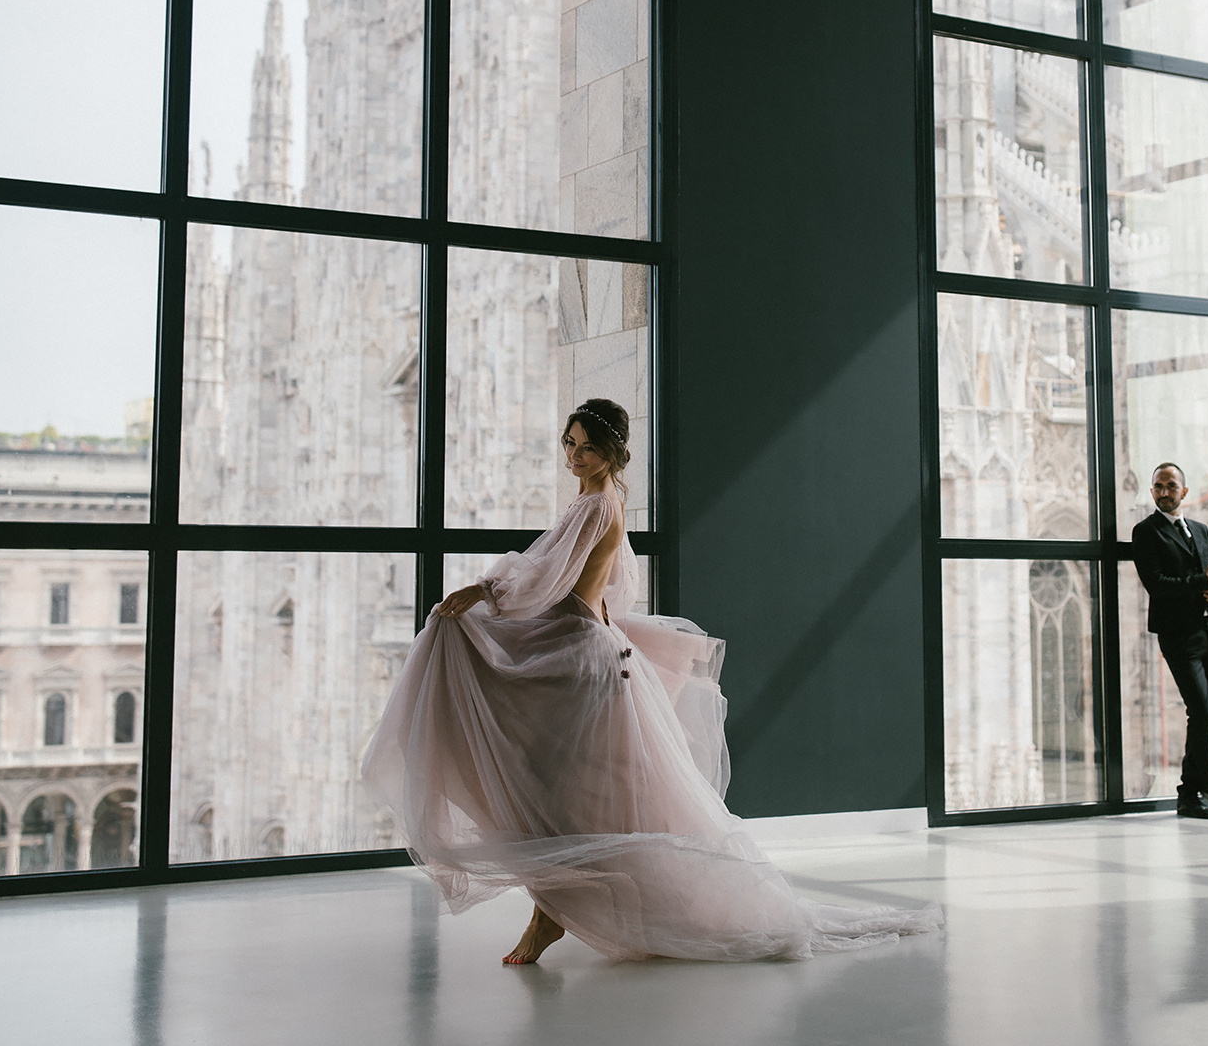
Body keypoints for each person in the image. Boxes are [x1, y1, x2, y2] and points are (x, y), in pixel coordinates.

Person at [362, 398, 940, 964]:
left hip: (581, 659)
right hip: (588, 649)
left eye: (587, 448)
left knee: (562, 790)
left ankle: (551, 913)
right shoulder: (600, 500)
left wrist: (484, 592)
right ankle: (556, 908)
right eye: (570, 444)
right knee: (569, 791)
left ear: (613, 452)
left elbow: (546, 577)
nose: (575, 456)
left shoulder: (595, 506)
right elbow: (608, 586)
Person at [1130, 461, 1208, 821]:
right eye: (1158, 486)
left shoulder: (1200, 530)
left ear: (1184, 491)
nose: (1164, 492)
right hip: (1178, 635)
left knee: (1203, 715)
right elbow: (1157, 585)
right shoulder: (1146, 532)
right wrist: (1202, 584)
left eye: (1170, 486)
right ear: (1152, 492)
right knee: (1202, 711)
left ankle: (1188, 793)